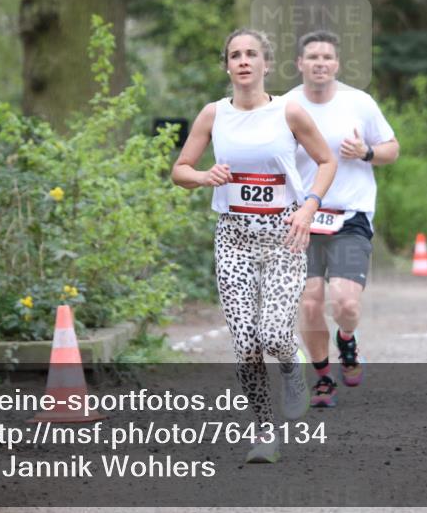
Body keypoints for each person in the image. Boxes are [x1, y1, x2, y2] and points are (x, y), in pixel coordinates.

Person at [171, 28, 336, 463]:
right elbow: (180, 169)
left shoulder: (289, 111)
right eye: (235, 55)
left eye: (251, 54)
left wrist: (309, 207)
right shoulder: (213, 114)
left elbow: (326, 160)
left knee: (274, 334)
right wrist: (203, 176)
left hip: (284, 235)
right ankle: (264, 431)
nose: (243, 61)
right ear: (227, 66)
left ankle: (292, 364)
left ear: (267, 64)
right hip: (234, 238)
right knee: (245, 343)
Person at [285, 31, 399, 408]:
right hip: (302, 218)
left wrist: (366, 152)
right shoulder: (284, 106)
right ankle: (322, 378)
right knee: (310, 304)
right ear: (300, 64)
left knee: (345, 304)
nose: (320, 63)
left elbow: (392, 149)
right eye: (312, 57)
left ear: (337, 64)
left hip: (350, 215)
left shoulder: (359, 103)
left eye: (327, 57)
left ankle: (347, 340)